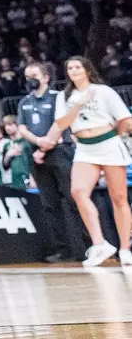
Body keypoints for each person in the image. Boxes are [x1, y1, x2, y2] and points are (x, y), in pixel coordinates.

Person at [44, 56, 132, 267]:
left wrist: (114, 137)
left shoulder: (103, 91)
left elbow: (125, 119)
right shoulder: (64, 96)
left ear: (87, 70)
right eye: (70, 68)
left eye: (77, 67)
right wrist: (77, 106)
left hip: (109, 144)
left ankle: (125, 248)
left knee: (119, 198)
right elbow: (62, 123)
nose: (73, 70)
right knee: (78, 192)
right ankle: (100, 244)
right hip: (84, 148)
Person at [16, 61, 86, 263]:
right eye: (27, 76)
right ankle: (63, 250)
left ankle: (87, 246)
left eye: (34, 75)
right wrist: (38, 142)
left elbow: (61, 123)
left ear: (46, 77)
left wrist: (47, 144)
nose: (30, 80)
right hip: (36, 155)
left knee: (73, 200)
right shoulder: (24, 102)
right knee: (49, 204)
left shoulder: (59, 97)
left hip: (60, 152)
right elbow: (22, 128)